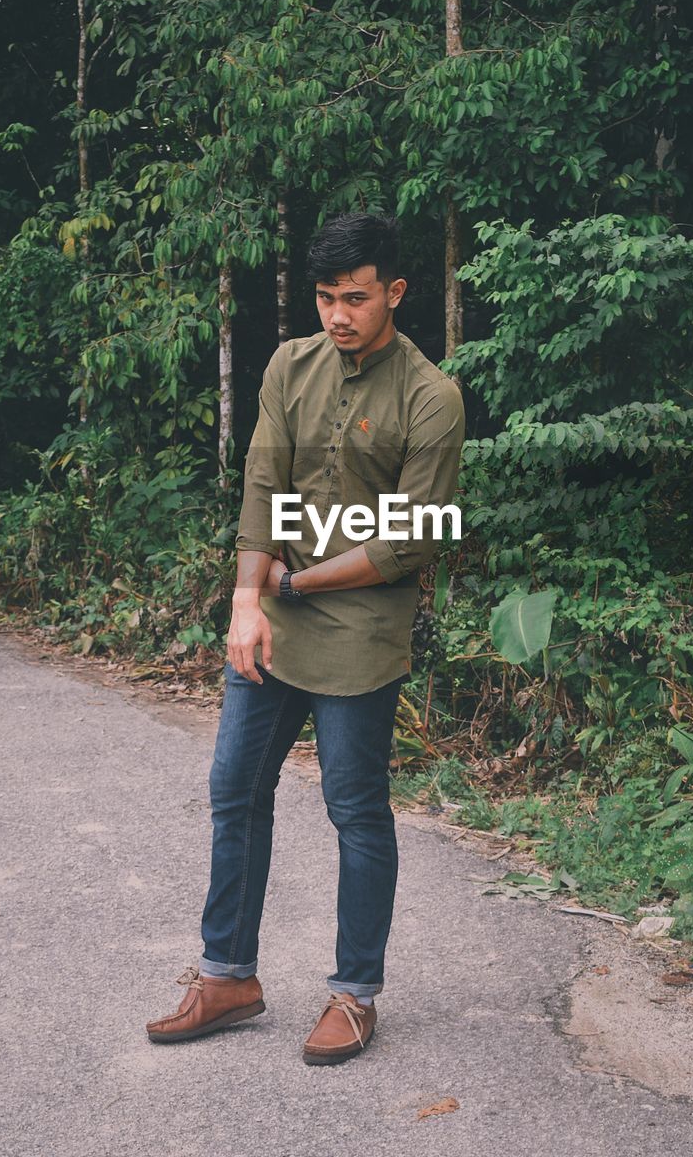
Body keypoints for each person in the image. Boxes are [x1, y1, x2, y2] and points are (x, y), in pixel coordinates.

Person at [146, 212, 465, 1064]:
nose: (337, 314)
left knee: (353, 807)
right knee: (233, 787)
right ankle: (228, 977)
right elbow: (263, 487)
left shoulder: (431, 396)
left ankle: (355, 996)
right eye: (326, 297)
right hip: (276, 615)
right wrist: (249, 598)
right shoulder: (290, 364)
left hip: (362, 624)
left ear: (393, 292)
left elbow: (411, 538)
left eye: (354, 298)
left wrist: (303, 580)